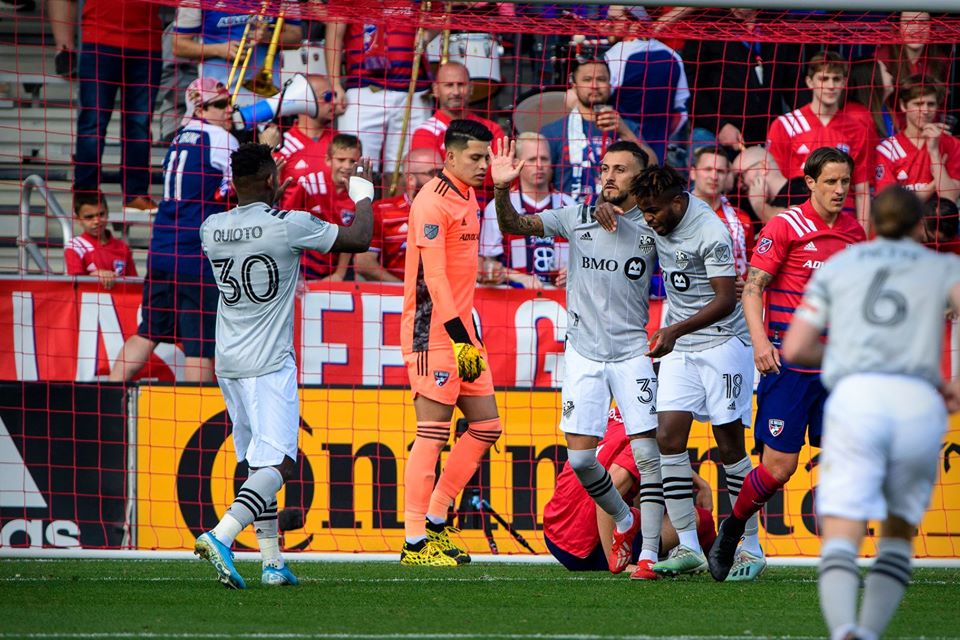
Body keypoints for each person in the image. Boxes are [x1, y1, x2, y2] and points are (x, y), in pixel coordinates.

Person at [781, 186, 960, 640]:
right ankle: (872, 632)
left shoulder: (841, 266)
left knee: (843, 529)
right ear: (920, 225)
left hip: (856, 398)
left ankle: (845, 630)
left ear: (873, 223)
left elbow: (796, 346)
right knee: (898, 529)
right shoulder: (943, 268)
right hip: (918, 401)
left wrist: (846, 356)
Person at [194, 143, 374, 589]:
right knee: (283, 464)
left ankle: (272, 562)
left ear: (235, 182)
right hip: (269, 363)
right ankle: (222, 535)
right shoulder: (290, 225)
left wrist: (266, 196)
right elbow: (360, 239)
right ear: (273, 179)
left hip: (228, 362)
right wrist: (364, 194)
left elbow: (249, 227)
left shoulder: (210, 228)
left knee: (259, 464)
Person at [493, 138, 666, 579]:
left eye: (620, 170)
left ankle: (647, 556)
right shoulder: (577, 216)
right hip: (583, 356)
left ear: (640, 179)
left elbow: (686, 263)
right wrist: (500, 188)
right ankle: (625, 524)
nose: (608, 175)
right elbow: (513, 224)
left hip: (632, 354)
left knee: (648, 455)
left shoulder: (655, 225)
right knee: (582, 462)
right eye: (605, 168)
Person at [708, 147, 867, 583]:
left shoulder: (855, 231)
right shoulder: (785, 226)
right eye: (830, 181)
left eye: (845, 182)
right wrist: (761, 343)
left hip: (837, 367)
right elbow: (752, 289)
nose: (839, 190)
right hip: (790, 366)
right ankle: (733, 529)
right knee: (779, 468)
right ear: (810, 182)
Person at [627, 165, 758, 579]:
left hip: (723, 343)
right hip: (683, 346)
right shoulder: (656, 212)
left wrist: (673, 329)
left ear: (678, 203)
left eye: (653, 212)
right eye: (644, 211)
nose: (648, 219)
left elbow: (725, 301)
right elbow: (627, 212)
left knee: (729, 446)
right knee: (668, 436)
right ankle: (688, 546)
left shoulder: (711, 233)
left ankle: (750, 547)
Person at [399, 119, 501, 567]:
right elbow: (435, 279)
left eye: (487, 157)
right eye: (475, 158)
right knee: (432, 434)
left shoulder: (469, 194)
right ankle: (415, 542)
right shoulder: (430, 202)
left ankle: (438, 521)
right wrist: (461, 341)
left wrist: (506, 184)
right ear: (450, 157)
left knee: (487, 426)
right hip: (433, 334)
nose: (483, 166)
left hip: (463, 333)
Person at [109, 78, 238, 383]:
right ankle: (197, 422)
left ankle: (105, 397)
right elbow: (234, 193)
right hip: (195, 256)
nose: (230, 109)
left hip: (162, 250)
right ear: (201, 108)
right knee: (200, 348)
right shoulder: (222, 139)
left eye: (230, 102)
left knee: (148, 332)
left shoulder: (179, 136)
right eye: (221, 104)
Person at [543, 408, 716, 572]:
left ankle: (672, 553)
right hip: (586, 550)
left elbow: (663, 455)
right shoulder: (646, 438)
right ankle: (716, 558)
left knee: (650, 483)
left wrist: (700, 483)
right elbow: (606, 493)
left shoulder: (617, 415)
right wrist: (619, 563)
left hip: (554, 534)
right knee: (699, 518)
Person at [72, 0, 162, 216]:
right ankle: (86, 194)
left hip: (146, 42)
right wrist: (64, 47)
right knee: (93, 123)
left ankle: (135, 194)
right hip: (99, 39)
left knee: (139, 124)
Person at [766, 51, 871, 232]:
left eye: (836, 79)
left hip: (843, 219)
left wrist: (863, 239)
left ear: (844, 83)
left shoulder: (857, 129)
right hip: (799, 218)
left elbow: (862, 190)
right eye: (824, 79)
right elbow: (774, 183)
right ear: (809, 82)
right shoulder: (785, 125)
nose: (830, 86)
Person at [325, 6, 434, 176]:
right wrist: (335, 83)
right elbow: (334, 34)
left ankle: (395, 203)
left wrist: (427, 35)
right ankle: (360, 204)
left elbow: (442, 13)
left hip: (412, 90)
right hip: (364, 89)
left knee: (404, 170)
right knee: (356, 166)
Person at [681, 9, 802, 151]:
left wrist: (809, 123)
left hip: (769, 130)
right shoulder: (707, 24)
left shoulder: (778, 21)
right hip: (715, 130)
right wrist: (720, 126)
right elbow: (690, 87)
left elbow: (794, 84)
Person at [540, 59, 650, 203]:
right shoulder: (552, 131)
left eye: (601, 79)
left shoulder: (627, 127)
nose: (594, 86)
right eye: (587, 79)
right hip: (570, 217)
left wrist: (624, 132)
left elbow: (651, 167)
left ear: (610, 85)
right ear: (574, 86)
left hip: (619, 216)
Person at [479, 132, 577, 288]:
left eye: (544, 159)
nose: (539, 165)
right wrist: (519, 278)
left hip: (561, 299)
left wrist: (574, 271)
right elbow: (487, 263)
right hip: (514, 298)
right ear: (517, 163)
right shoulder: (498, 206)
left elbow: (585, 255)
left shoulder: (570, 205)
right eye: (532, 159)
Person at [603, 7, 690, 165]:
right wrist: (658, 137)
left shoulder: (615, 56)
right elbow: (680, 113)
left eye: (614, 20)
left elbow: (600, 107)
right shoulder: (672, 56)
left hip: (620, 153)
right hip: (658, 154)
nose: (608, 25)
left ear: (634, 22)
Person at [172, 3, 303, 105]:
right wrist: (219, 50)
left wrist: (268, 37)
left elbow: (296, 38)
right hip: (217, 99)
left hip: (267, 95)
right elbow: (178, 45)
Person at [354, 147, 443, 283]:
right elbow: (364, 264)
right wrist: (404, 289)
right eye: (432, 173)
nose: (440, 179)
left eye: (442, 173)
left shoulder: (457, 210)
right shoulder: (383, 211)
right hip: (395, 297)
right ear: (410, 179)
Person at [280, 133, 362, 281]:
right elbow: (286, 224)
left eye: (353, 161)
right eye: (341, 160)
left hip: (339, 268)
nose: (347, 166)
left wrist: (339, 274)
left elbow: (351, 238)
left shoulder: (359, 194)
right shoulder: (309, 184)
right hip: (305, 265)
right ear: (328, 160)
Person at [875, 75, 960, 202]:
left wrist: (934, 153)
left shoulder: (953, 144)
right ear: (903, 106)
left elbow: (949, 198)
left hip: (941, 222)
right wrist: (934, 183)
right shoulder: (887, 149)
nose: (925, 110)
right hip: (905, 222)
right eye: (918, 104)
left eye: (931, 104)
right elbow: (892, 205)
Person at [411, 62, 506, 159]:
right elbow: (430, 173)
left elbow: (501, 171)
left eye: (461, 85)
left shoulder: (492, 129)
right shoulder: (425, 133)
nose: (456, 92)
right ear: (436, 90)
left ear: (471, 88)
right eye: (449, 85)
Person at [689, 147, 754, 279]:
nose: (714, 177)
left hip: (733, 295)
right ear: (693, 173)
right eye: (708, 169)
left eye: (720, 171)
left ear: (727, 176)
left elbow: (750, 265)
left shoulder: (742, 219)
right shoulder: (675, 213)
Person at [64, 191, 137, 289]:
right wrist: (94, 276)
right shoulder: (75, 246)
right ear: (78, 219)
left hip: (120, 303)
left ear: (107, 213)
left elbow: (135, 285)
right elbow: (74, 286)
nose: (97, 221)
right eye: (89, 217)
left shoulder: (122, 247)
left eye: (101, 214)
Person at [274, 75, 340, 177]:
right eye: (328, 96)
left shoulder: (342, 142)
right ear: (304, 100)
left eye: (335, 95)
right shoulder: (282, 145)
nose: (335, 102)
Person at [733, 146, 809, 223]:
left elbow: (793, 222)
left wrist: (758, 204)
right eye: (736, 180)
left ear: (764, 167)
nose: (739, 185)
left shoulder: (802, 187)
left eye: (741, 176)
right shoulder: (753, 209)